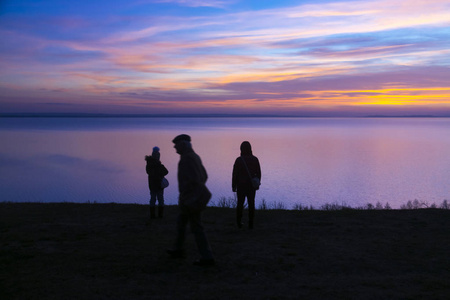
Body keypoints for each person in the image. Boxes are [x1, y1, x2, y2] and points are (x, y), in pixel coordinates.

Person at [167, 134, 215, 266]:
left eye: (176, 145)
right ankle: (178, 250)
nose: (175, 148)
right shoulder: (194, 157)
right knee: (181, 223)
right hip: (190, 198)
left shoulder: (187, 159)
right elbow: (204, 176)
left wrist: (189, 194)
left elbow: (195, 179)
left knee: (196, 227)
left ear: (183, 145)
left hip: (190, 200)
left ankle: (207, 257)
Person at [232, 141, 261, 229]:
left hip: (241, 185)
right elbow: (259, 173)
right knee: (251, 203)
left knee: (240, 204)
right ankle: (251, 223)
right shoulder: (255, 159)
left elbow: (235, 174)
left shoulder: (239, 160)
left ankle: (239, 222)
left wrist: (234, 185)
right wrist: (257, 183)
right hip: (251, 186)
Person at [145, 146, 168, 219]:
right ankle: (158, 216)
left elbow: (165, 171)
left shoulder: (150, 165)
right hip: (157, 185)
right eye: (157, 155)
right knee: (158, 199)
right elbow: (165, 172)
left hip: (154, 185)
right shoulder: (156, 165)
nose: (158, 156)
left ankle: (154, 216)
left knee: (154, 199)